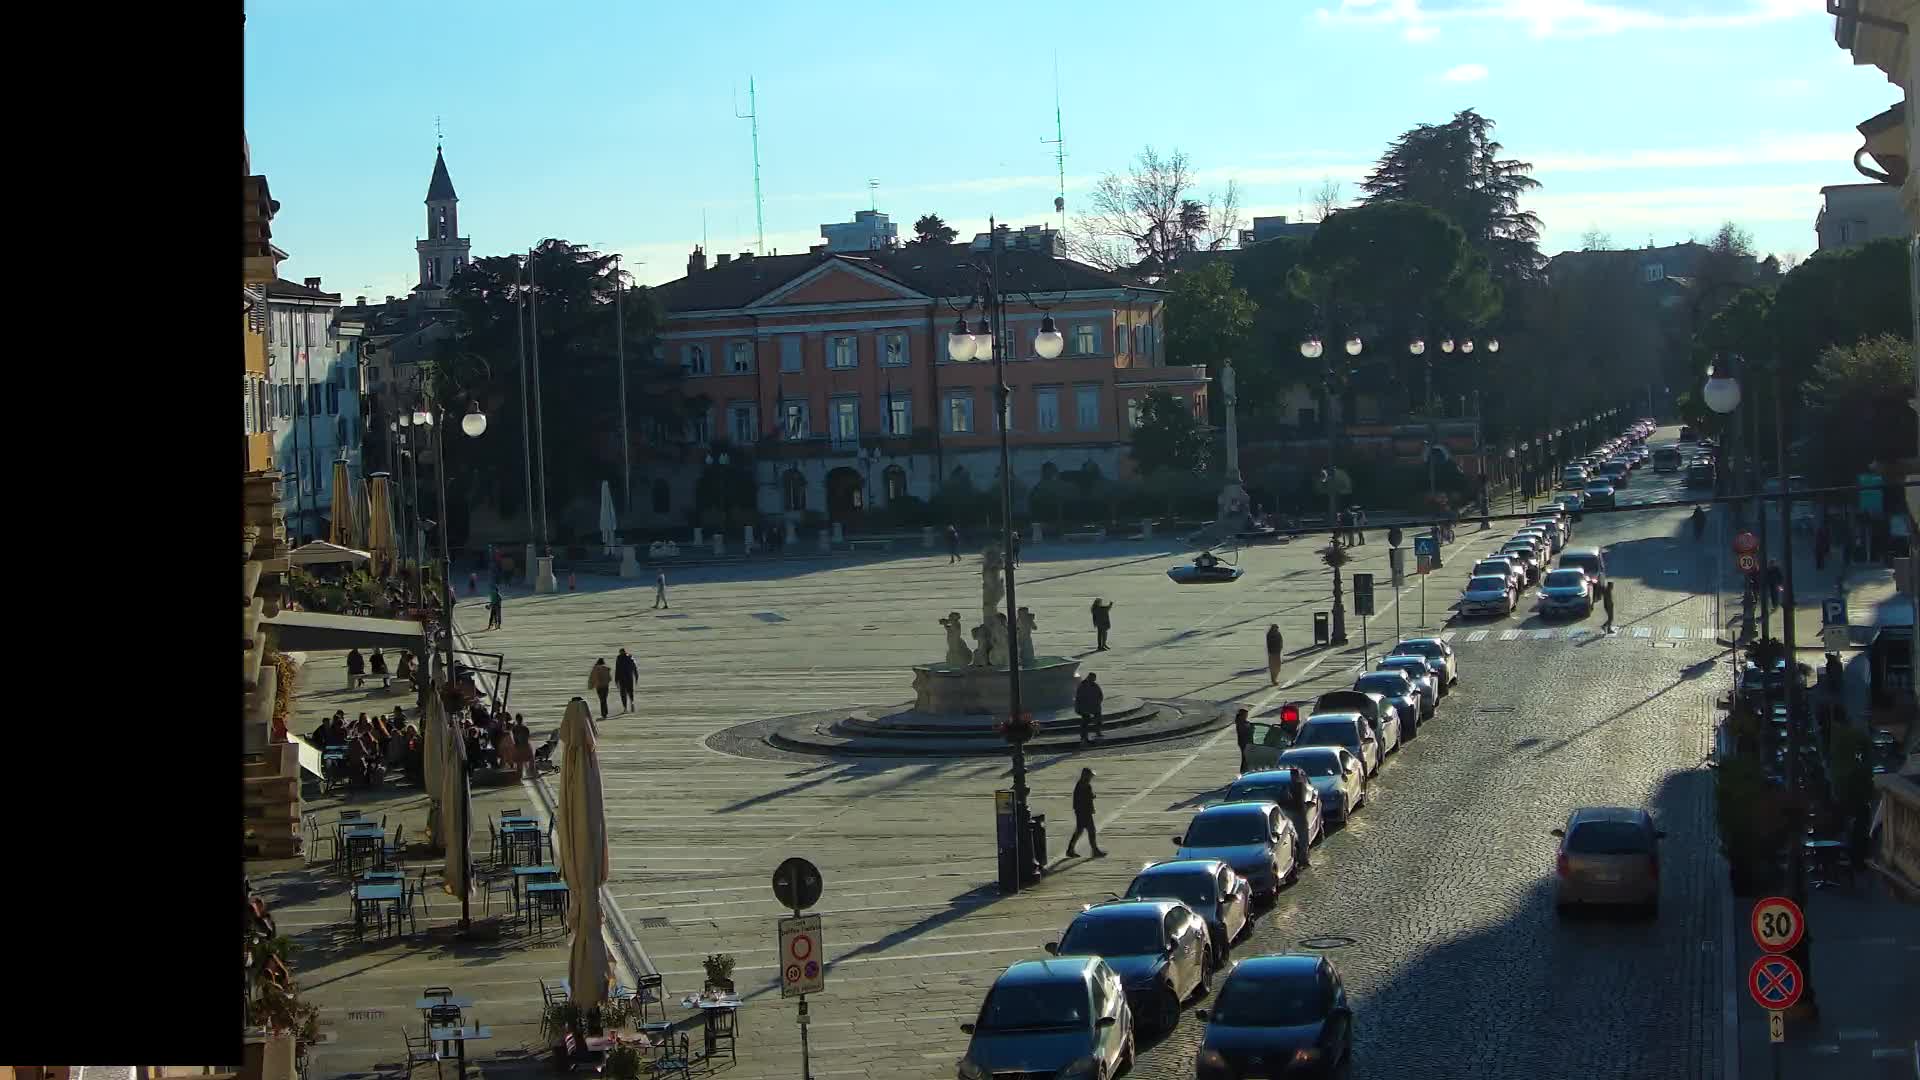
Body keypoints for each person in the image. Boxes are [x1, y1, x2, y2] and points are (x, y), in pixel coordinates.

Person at [1064, 768, 1105, 858]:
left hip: (1080, 811)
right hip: (1084, 812)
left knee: (1079, 831)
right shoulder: (1084, 785)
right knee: (1091, 830)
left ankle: (1070, 850)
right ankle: (1095, 851)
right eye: (1090, 776)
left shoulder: (1082, 784)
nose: (1091, 778)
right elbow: (1088, 798)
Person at [1075, 672, 1105, 744]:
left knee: (1098, 719)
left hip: (1094, 706)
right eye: (1093, 678)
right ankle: (1084, 737)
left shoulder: (1095, 685)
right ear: (1089, 677)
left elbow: (1100, 695)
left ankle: (1098, 732)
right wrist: (1080, 708)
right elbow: (1079, 698)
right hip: (1084, 707)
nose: (1094, 680)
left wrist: (1098, 703)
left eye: (1094, 679)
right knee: (1085, 722)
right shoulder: (1082, 686)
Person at [614, 648, 639, 713]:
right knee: (630, 691)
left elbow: (617, 669)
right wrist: (636, 677)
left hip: (622, 678)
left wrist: (616, 680)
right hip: (629, 678)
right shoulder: (631, 657)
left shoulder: (619, 658)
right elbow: (635, 668)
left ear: (620, 652)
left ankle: (625, 708)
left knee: (623, 694)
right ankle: (632, 703)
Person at [1234, 707, 1254, 773]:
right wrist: (1250, 729)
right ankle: (1243, 771)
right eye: (1245, 715)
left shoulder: (1243, 722)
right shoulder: (1240, 722)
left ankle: (1245, 770)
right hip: (1244, 742)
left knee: (1246, 758)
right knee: (1245, 758)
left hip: (1246, 742)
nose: (1246, 716)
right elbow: (1243, 732)